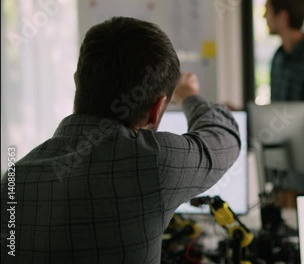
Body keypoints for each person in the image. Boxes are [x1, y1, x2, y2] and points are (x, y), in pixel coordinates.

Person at [0, 17, 241, 264]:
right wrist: (188, 96)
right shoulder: (152, 164)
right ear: (156, 109)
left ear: (77, 82)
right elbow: (224, 137)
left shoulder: (13, 180)